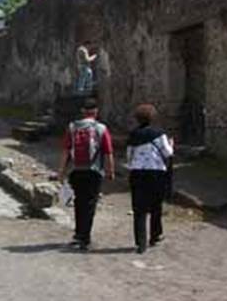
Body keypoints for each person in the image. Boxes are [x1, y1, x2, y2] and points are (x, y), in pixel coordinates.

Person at [58, 98, 115, 251]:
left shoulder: (72, 127)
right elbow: (108, 152)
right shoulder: (101, 129)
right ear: (96, 111)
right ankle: (85, 237)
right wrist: (110, 171)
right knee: (90, 204)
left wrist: (61, 172)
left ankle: (78, 233)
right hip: (94, 170)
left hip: (77, 169)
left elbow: (65, 151)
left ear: (83, 111)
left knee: (79, 201)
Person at [126, 104, 174, 253]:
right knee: (155, 206)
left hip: (138, 173)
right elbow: (167, 153)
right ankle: (155, 235)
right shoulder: (159, 134)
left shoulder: (133, 135)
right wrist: (171, 144)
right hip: (156, 173)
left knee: (139, 208)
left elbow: (129, 157)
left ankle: (141, 242)